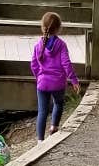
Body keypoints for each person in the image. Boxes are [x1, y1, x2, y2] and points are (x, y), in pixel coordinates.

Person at [30, 10, 81, 140]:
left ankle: (40, 140)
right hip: (58, 83)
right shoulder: (61, 45)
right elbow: (66, 64)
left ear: (42, 28)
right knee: (58, 103)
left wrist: (39, 78)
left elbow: (33, 65)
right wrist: (74, 80)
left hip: (42, 84)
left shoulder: (38, 46)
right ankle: (54, 127)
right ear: (59, 29)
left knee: (42, 111)